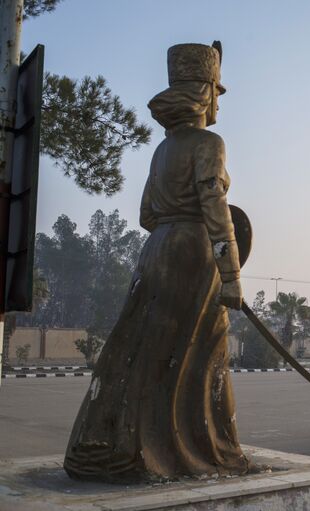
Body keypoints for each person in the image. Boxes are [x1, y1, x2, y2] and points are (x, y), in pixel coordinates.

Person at [64, 42, 249, 482]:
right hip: (193, 253)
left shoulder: (162, 150)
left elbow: (146, 214)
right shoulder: (209, 142)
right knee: (203, 354)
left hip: (158, 249)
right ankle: (201, 452)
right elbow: (215, 207)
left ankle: (126, 445)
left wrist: (170, 226)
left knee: (145, 351)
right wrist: (232, 274)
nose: (220, 102)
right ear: (207, 92)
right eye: (217, 92)